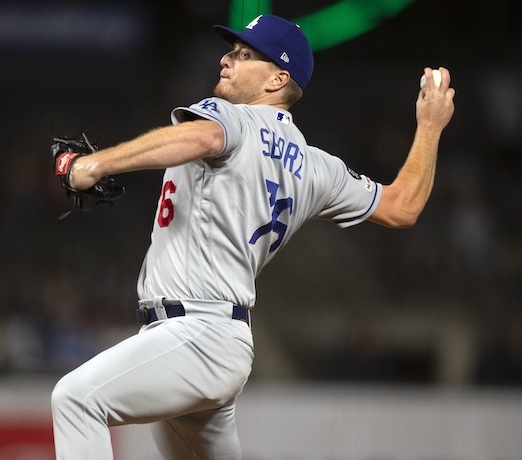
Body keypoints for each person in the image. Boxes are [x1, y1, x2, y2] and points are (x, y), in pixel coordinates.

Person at [50, 14, 455, 460]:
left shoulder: (233, 118)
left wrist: (94, 165)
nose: (226, 59)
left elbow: (204, 135)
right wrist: (431, 127)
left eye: (245, 55)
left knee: (76, 400)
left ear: (278, 79)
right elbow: (402, 206)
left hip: (194, 334)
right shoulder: (318, 166)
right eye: (233, 51)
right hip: (220, 343)